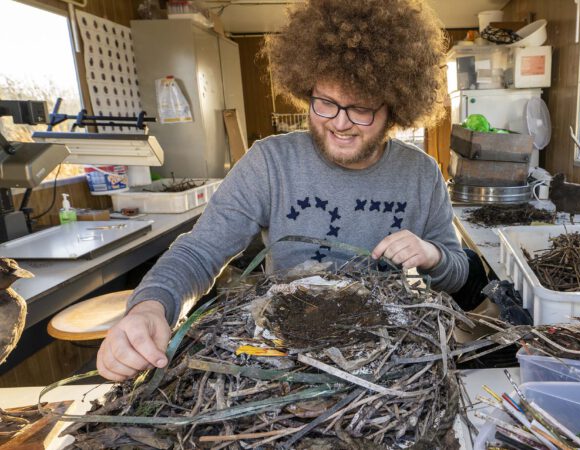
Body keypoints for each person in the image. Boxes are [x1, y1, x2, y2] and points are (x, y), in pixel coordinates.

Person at [96, 0, 471, 381]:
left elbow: (456, 273)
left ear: (394, 107)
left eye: (361, 109)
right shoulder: (270, 163)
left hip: (385, 360)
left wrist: (432, 255)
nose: (340, 123)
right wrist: (151, 307)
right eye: (325, 103)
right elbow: (200, 251)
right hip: (287, 356)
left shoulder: (421, 174)